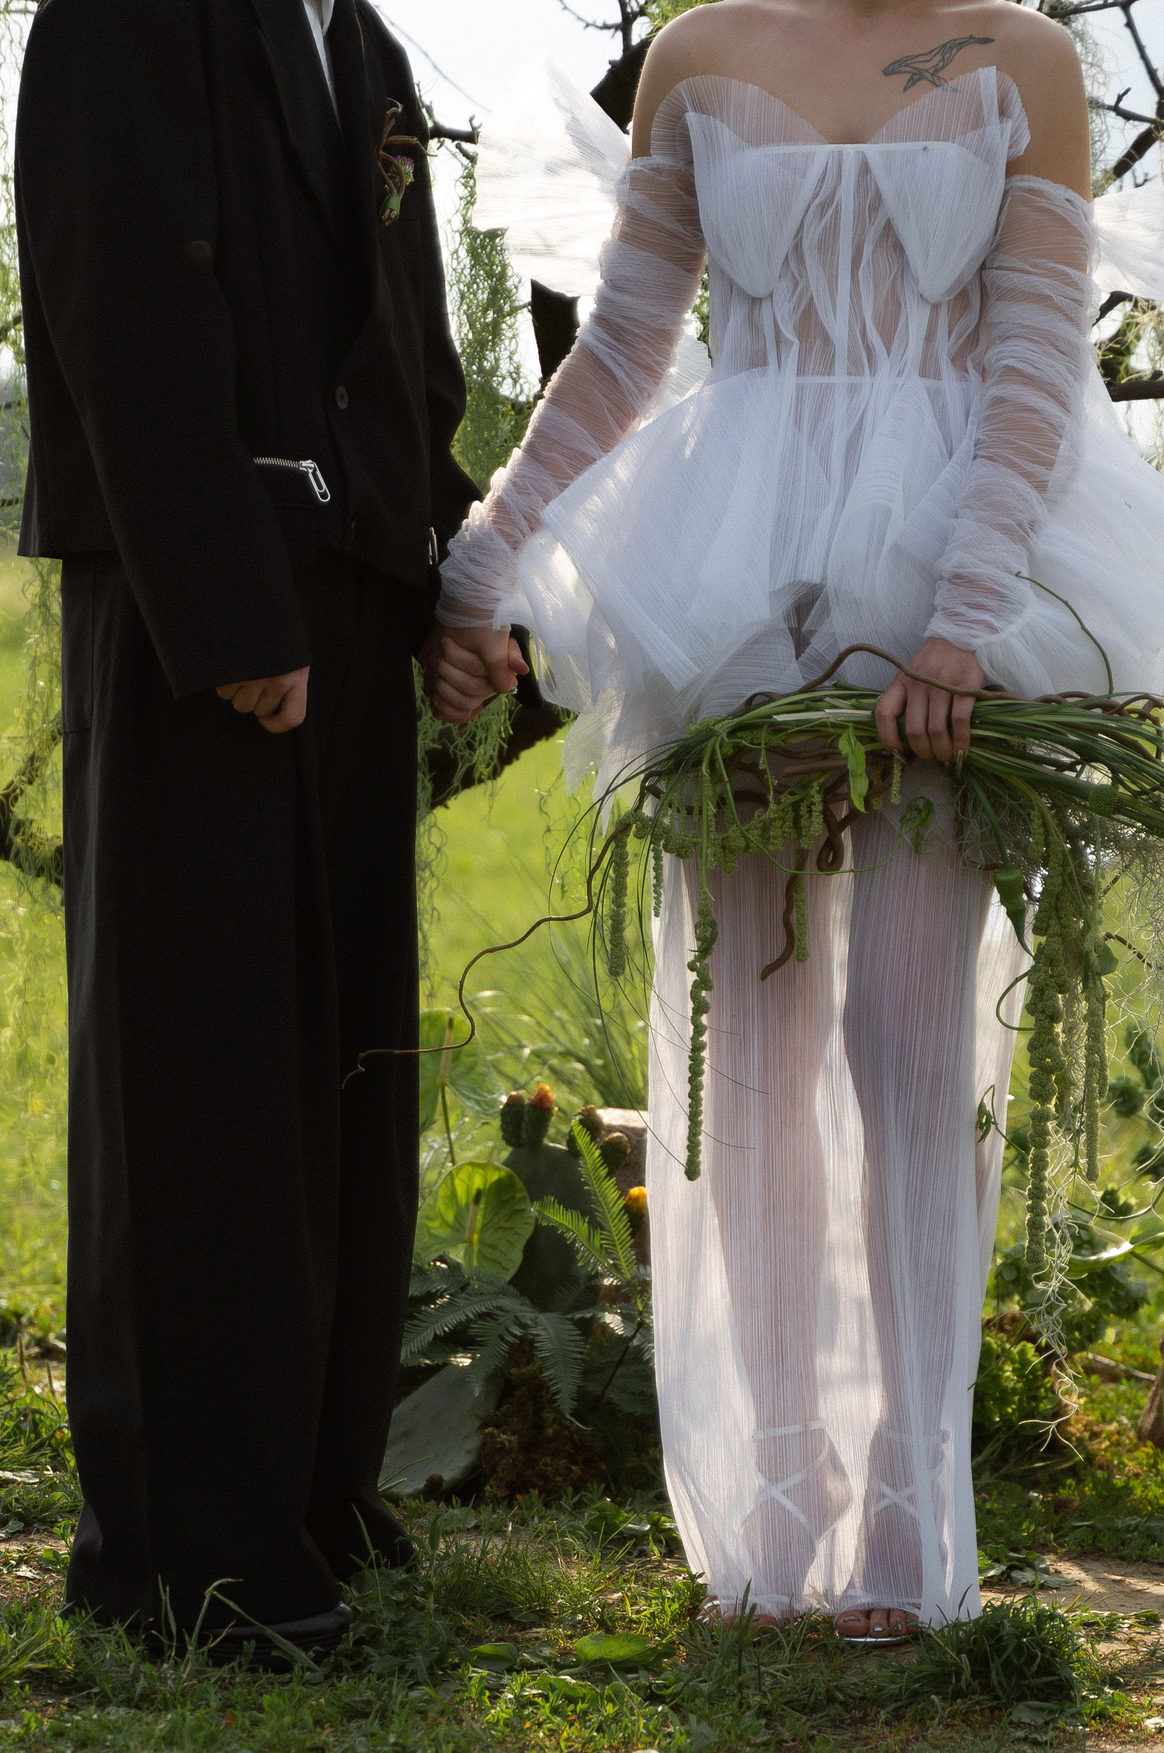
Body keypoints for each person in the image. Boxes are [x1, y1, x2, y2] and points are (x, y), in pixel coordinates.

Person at [427, 0, 1164, 1639]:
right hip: (737, 587)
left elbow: (1036, 360)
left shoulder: (1026, 60)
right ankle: (775, 1505)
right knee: (751, 1053)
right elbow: (625, 345)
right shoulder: (698, 52)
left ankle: (906, 1513)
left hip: (946, 573)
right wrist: (485, 559)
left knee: (906, 1047)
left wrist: (966, 614)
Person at [16, 0, 477, 1662]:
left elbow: (407, 345)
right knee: (198, 1074)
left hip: (351, 597)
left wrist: (450, 582)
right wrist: (221, 606)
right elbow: (119, 307)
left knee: (343, 1069)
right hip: (197, 612)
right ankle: (186, 1559)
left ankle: (310, 1500)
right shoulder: (130, 15)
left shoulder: (364, 43)